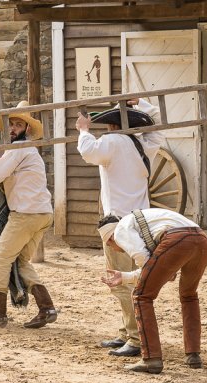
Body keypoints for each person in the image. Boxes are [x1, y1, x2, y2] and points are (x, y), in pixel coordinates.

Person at [75, 99, 166, 357]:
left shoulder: (113, 141)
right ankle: (128, 332)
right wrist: (143, 104)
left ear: (114, 123)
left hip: (118, 224)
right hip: (138, 220)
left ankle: (135, 338)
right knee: (126, 279)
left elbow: (88, 152)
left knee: (122, 281)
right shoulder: (142, 144)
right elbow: (157, 126)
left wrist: (83, 129)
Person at [0, 100, 57, 329]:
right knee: (21, 261)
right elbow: (0, 169)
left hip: (25, 214)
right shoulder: (25, 150)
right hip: (42, 213)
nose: (13, 128)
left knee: (0, 258)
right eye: (12, 124)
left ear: (26, 128)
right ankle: (46, 308)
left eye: (18, 124)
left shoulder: (18, 148)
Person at [97, 208, 207, 374]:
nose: (113, 249)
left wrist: (160, 272)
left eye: (109, 245)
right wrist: (126, 276)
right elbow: (152, 266)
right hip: (201, 239)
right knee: (189, 296)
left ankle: (151, 359)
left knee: (141, 296)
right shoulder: (145, 223)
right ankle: (193, 355)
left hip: (176, 239)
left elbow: (144, 259)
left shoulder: (120, 230)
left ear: (110, 237)